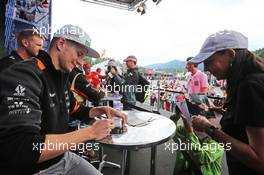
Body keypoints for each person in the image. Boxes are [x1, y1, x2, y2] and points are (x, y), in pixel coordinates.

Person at [0, 24, 127, 174]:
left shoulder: (61, 76)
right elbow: (23, 148)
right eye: (79, 54)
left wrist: (100, 110)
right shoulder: (25, 74)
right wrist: (91, 132)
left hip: (62, 157)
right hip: (33, 169)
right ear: (61, 44)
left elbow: (75, 108)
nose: (81, 62)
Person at [189, 30, 264, 174]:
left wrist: (208, 128)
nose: (206, 69)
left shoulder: (250, 86)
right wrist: (230, 113)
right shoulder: (249, 80)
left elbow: (260, 160)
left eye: (209, 61)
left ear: (230, 54)